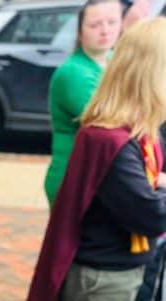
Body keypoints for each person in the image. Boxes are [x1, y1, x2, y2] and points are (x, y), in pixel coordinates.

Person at [22, 19, 166, 301]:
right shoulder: (115, 140)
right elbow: (149, 216)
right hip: (104, 276)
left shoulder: (117, 131)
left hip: (91, 269)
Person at [44, 0, 152, 205]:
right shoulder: (73, 72)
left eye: (111, 22)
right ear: (79, 31)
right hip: (74, 176)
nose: (105, 31)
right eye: (95, 25)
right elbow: (111, 120)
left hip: (100, 173)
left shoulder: (113, 59)